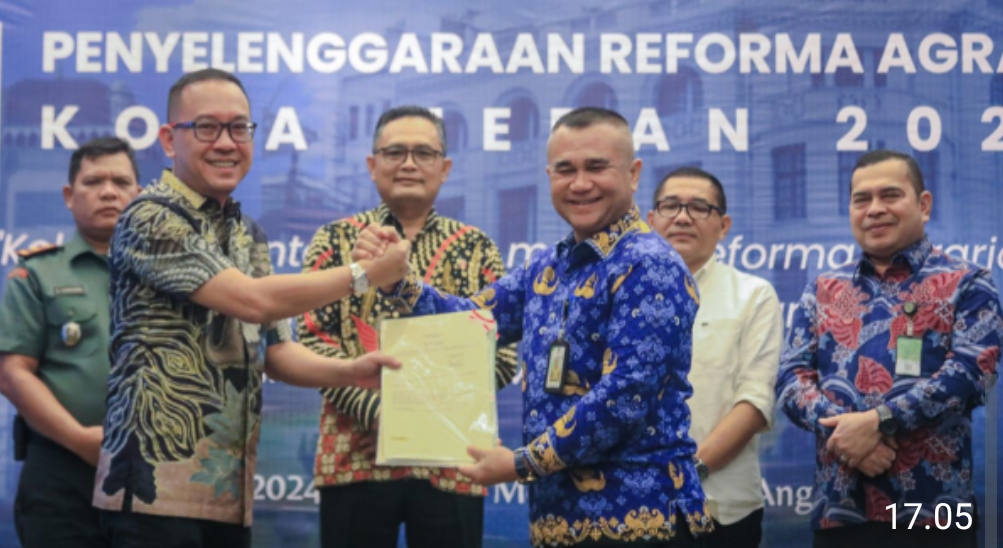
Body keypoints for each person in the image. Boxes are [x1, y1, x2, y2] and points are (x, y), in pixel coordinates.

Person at [356, 107, 712, 547]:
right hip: (556, 521)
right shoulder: (548, 266)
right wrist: (398, 281)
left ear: (633, 173)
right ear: (548, 176)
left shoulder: (650, 264)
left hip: (642, 522)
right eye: (565, 170)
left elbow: (625, 396)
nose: (579, 183)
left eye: (596, 167)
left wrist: (520, 464)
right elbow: (469, 323)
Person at [91, 68, 409, 548]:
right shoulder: (148, 216)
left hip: (227, 496)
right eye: (207, 127)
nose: (226, 142)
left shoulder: (247, 233)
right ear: (169, 140)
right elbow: (253, 301)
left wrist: (350, 371)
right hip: (151, 497)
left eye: (239, 128)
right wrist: (364, 274)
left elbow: (275, 352)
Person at [299, 105, 517, 548]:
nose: (409, 164)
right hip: (355, 455)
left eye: (424, 153)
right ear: (372, 164)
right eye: (395, 152)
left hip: (455, 460)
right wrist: (382, 413)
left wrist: (420, 418)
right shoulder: (335, 240)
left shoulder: (477, 248)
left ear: (445, 167)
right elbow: (312, 342)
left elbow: (502, 355)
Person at [775, 150, 1001, 548]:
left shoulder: (969, 283)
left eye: (890, 195)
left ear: (923, 205)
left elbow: (970, 374)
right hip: (840, 511)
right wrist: (847, 436)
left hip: (937, 513)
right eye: (861, 199)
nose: (875, 209)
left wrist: (878, 422)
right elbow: (790, 380)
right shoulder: (822, 290)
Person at [0, 137, 141, 548]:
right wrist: (80, 440)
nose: (108, 192)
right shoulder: (38, 273)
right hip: (61, 472)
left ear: (139, 195)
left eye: (121, 182)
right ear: (68, 195)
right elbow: (12, 373)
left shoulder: (168, 278)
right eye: (93, 181)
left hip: (150, 477)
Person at [647, 167, 782, 547]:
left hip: (720, 508)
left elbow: (755, 402)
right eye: (671, 206)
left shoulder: (753, 296)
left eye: (699, 207)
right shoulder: (619, 295)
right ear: (651, 220)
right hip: (630, 508)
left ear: (723, 226)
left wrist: (689, 474)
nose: (682, 217)